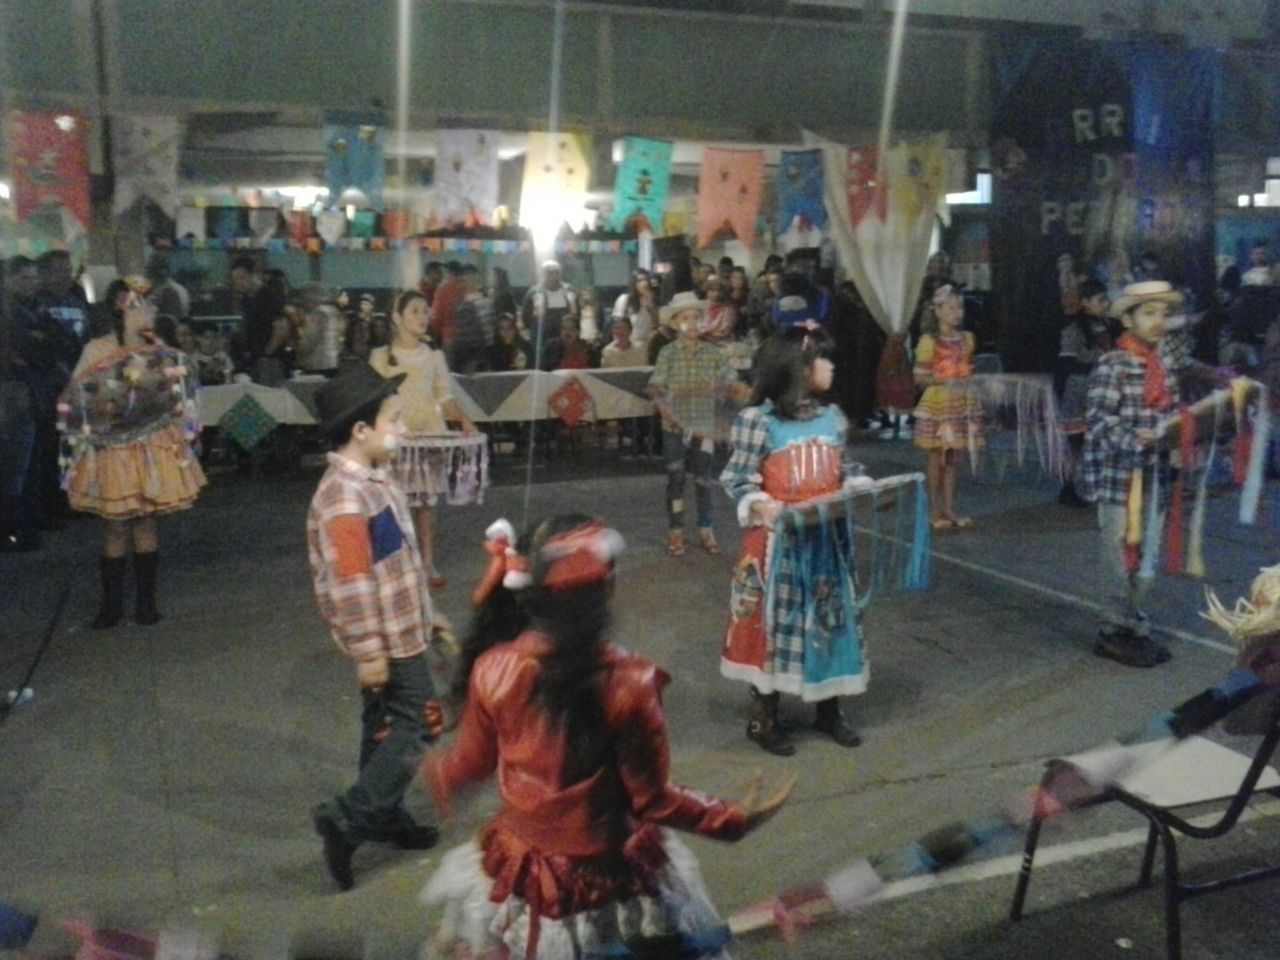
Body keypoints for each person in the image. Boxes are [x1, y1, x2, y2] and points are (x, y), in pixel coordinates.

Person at [420, 513, 794, 960]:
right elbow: (652, 800)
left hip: (523, 870)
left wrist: (435, 771)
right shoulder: (629, 683)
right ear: (607, 590)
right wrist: (731, 818)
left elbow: (469, 765)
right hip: (608, 877)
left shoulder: (493, 668)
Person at [306, 364, 443, 891]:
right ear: (361, 430)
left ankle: (383, 813)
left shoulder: (374, 479)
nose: (403, 429)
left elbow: (394, 559)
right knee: (420, 721)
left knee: (383, 725)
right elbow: (353, 582)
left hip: (402, 627)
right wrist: (369, 652)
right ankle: (351, 816)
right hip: (385, 639)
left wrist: (428, 614)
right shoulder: (344, 498)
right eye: (395, 420)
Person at [720, 326, 870, 755]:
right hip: (778, 549)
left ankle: (829, 708)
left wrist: (859, 486)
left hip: (826, 544)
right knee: (774, 625)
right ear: (799, 368)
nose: (832, 366)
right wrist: (762, 505)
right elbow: (737, 477)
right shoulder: (758, 422)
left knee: (829, 618)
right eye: (824, 358)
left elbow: (846, 467)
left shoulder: (832, 418)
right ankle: (764, 715)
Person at [63, 277, 206, 628]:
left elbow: (178, 393)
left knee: (145, 521)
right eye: (142, 304)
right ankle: (111, 606)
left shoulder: (160, 350)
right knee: (113, 526)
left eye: (150, 304)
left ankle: (146, 604)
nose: (150, 310)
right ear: (122, 306)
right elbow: (78, 394)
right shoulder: (98, 348)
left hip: (151, 446)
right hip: (111, 449)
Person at [1082, 281, 1186, 668]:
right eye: (1148, 313)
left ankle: (1133, 621)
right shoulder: (1114, 364)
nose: (1158, 321)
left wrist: (1178, 436)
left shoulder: (1164, 364)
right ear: (1127, 320)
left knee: (1147, 555)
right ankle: (1114, 627)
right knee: (1118, 554)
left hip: (1155, 479)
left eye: (1163, 314)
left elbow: (1173, 414)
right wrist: (1135, 440)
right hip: (1119, 479)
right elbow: (1099, 420)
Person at [369, 291, 478, 588]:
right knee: (394, 501)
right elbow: (375, 400)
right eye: (415, 311)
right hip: (395, 436)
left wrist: (463, 420)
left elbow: (444, 397)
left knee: (425, 503)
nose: (423, 317)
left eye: (426, 311)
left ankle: (426, 563)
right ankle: (395, 565)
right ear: (397, 317)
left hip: (429, 434)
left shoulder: (434, 356)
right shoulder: (381, 356)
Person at [648, 291, 746, 557]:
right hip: (674, 429)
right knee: (676, 478)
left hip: (704, 428)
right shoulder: (668, 353)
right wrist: (664, 409)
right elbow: (655, 387)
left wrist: (732, 391)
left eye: (696, 318)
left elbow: (731, 382)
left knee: (704, 480)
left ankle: (706, 529)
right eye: (685, 318)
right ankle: (676, 529)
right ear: (675, 323)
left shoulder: (714, 354)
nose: (691, 323)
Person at [913, 283, 984, 529]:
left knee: (954, 458)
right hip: (939, 404)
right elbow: (919, 377)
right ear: (938, 310)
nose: (957, 313)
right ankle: (934, 511)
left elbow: (969, 368)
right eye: (952, 308)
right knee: (937, 458)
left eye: (960, 308)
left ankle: (949, 509)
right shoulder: (929, 342)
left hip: (960, 403)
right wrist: (945, 380)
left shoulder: (967, 339)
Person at [1055, 280, 1113, 507]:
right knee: (1076, 442)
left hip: (1098, 388)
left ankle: (1091, 485)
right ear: (1085, 302)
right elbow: (1066, 363)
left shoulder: (1104, 326)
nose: (1106, 304)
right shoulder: (1075, 329)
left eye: (1106, 299)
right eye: (1100, 300)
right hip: (1079, 390)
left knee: (1095, 440)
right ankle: (1070, 487)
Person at [521, 260, 578, 364]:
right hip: (542, 338)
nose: (554, 276)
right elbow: (526, 317)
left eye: (556, 272)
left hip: (564, 338)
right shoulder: (534, 292)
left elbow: (576, 315)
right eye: (550, 272)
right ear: (543, 274)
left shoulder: (569, 290)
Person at [448, 264, 494, 375]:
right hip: (487, 352)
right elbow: (491, 329)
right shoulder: (488, 302)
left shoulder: (461, 305)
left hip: (468, 353)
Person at [611, 268, 657, 347]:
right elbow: (617, 325)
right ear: (634, 283)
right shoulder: (625, 299)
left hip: (647, 345)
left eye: (646, 280)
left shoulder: (652, 301)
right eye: (640, 281)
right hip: (628, 345)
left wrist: (651, 303)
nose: (644, 283)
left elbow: (657, 325)